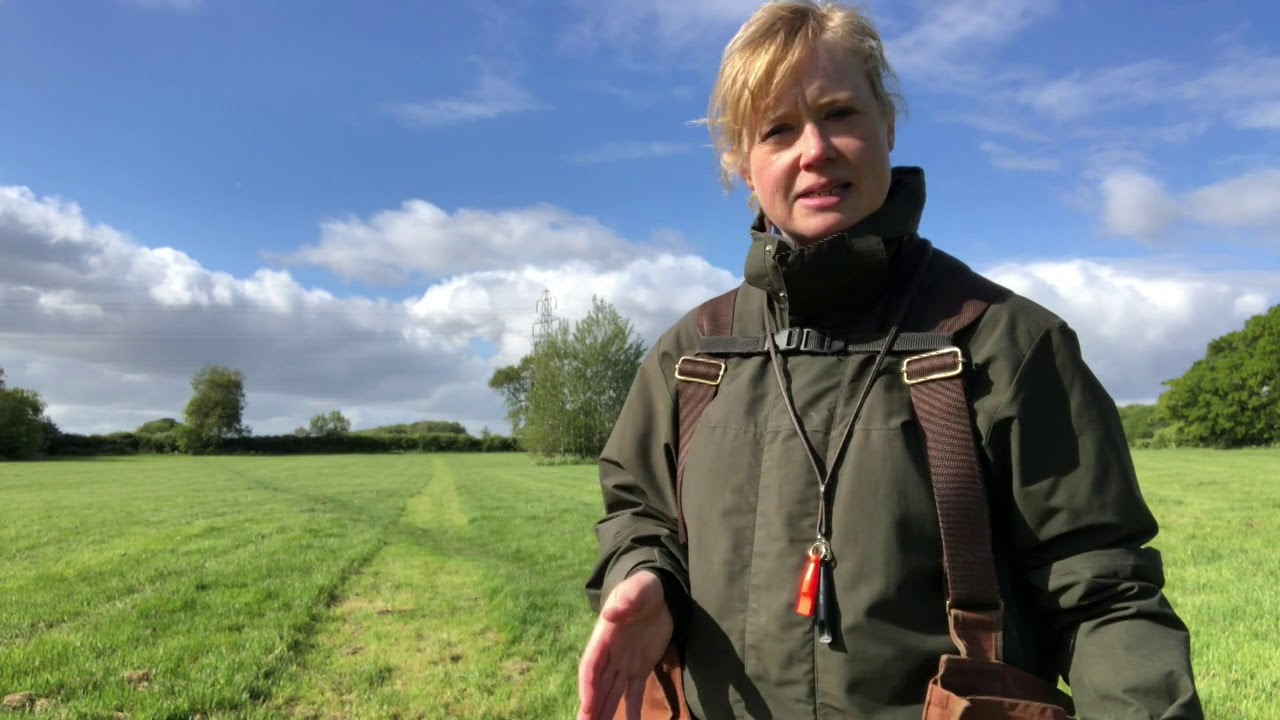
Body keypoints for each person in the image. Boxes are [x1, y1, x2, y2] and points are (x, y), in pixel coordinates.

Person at [577, 2, 1203, 718]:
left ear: (888, 125)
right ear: (743, 166)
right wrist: (644, 572)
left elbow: (1104, 593)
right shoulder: (691, 359)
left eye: (838, 113)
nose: (814, 149)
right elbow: (637, 512)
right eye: (777, 129)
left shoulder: (1007, 344)